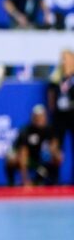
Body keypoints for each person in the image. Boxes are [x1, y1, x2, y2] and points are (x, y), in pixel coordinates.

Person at [5, 104, 62, 186]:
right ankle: (12, 183)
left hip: (38, 160)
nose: (39, 119)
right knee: (12, 158)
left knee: (58, 156)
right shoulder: (26, 131)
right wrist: (26, 181)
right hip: (24, 159)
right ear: (33, 117)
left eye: (41, 116)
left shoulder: (49, 130)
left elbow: (55, 146)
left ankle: (51, 181)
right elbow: (23, 155)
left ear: (45, 117)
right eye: (37, 117)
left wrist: (53, 151)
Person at [46, 49, 74, 182]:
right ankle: (54, 177)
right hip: (59, 116)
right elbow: (51, 94)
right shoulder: (57, 76)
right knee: (56, 147)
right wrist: (52, 111)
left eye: (66, 58)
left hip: (73, 114)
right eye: (62, 59)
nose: (64, 61)